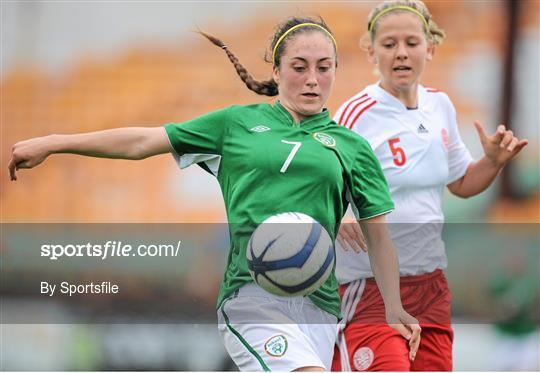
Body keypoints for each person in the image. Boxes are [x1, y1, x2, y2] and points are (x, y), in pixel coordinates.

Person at [8, 17, 421, 372]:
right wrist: (54, 142)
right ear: (276, 71)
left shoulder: (351, 147)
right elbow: (142, 141)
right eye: (299, 67)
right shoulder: (236, 124)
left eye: (324, 67)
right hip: (253, 296)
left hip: (319, 306)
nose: (313, 79)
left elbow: (379, 237)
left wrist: (394, 307)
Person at [331, 1, 528, 371]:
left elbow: (461, 183)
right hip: (370, 286)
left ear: (430, 47)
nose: (401, 52)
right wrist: (339, 213)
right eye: (389, 44)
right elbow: (322, 182)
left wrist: (492, 163)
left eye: (411, 41)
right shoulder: (356, 114)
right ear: (372, 51)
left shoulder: (440, 106)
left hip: (430, 285)